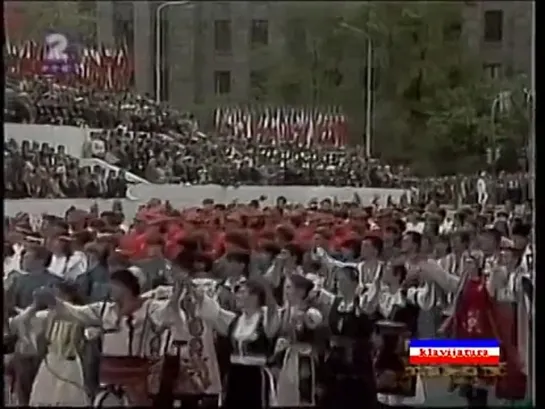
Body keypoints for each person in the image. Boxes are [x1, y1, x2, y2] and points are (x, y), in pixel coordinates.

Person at [32, 268, 185, 406]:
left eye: (114, 285)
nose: (110, 289)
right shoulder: (104, 309)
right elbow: (75, 313)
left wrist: (176, 294)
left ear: (125, 287)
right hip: (109, 376)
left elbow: (168, 314)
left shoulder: (150, 308)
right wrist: (53, 301)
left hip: (139, 375)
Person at [194, 277, 279, 408]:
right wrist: (198, 295)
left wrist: (266, 287)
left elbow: (273, 309)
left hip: (255, 377)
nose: (238, 296)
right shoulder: (235, 320)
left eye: (243, 292)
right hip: (235, 375)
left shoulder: (264, 319)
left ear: (255, 296)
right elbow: (215, 313)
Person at [9, 281, 89, 406]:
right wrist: (35, 305)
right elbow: (18, 322)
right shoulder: (47, 315)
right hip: (50, 363)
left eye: (58, 293)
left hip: (70, 364)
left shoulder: (80, 315)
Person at [274, 274, 323, 407]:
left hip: (303, 358)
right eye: (286, 287)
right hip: (286, 359)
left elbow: (314, 328)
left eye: (289, 287)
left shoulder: (311, 313)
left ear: (301, 291)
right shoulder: (283, 313)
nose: (286, 291)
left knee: (303, 398)